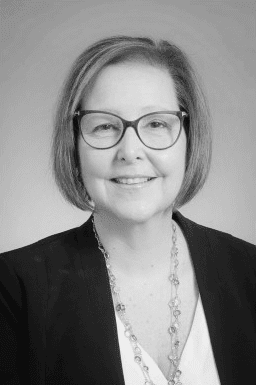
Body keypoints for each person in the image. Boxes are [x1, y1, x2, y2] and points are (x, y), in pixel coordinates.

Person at [0, 35, 255, 385]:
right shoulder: (13, 290)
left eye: (156, 123)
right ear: (74, 146)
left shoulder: (251, 272)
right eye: (105, 126)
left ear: (189, 139)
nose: (130, 151)